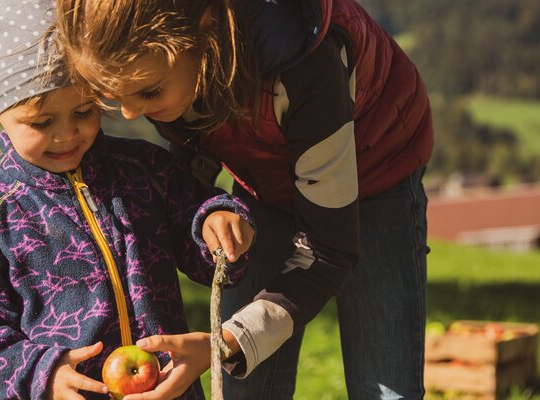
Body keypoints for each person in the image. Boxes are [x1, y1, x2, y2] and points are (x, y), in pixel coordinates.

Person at [54, 0, 434, 398]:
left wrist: (223, 344)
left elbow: (328, 250)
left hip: (376, 170)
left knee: (386, 387)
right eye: (113, 97)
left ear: (202, 29)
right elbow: (190, 167)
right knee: (246, 386)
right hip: (266, 180)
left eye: (148, 92)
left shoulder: (306, 68)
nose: (131, 113)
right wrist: (206, 212)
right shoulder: (166, 66)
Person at [0, 0, 256, 398]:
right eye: (42, 122)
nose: (67, 135)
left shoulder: (143, 170)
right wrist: (40, 374)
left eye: (85, 111)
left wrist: (216, 220)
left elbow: (198, 226)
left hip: (168, 389)